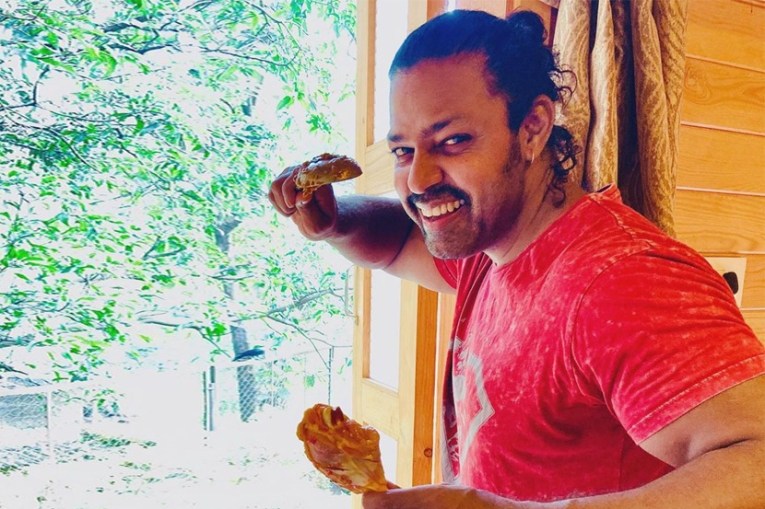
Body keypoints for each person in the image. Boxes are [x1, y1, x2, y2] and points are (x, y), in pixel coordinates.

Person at [269, 9, 765, 509]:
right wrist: (334, 221)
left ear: (532, 127)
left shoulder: (621, 280)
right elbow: (398, 240)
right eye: (403, 151)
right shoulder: (489, 243)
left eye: (452, 141)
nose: (418, 180)